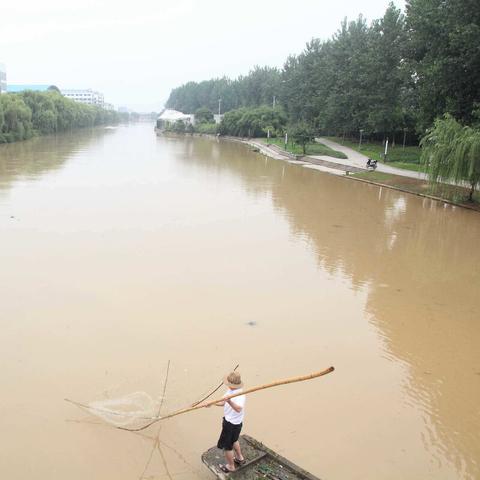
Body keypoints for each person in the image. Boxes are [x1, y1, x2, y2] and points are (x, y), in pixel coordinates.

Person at [214, 371, 246, 473]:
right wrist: (212, 403)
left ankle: (231, 466)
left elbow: (238, 409)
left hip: (232, 424)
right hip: (231, 422)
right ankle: (240, 458)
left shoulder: (240, 395)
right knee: (234, 440)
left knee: (227, 447)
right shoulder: (230, 391)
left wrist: (230, 401)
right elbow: (223, 402)